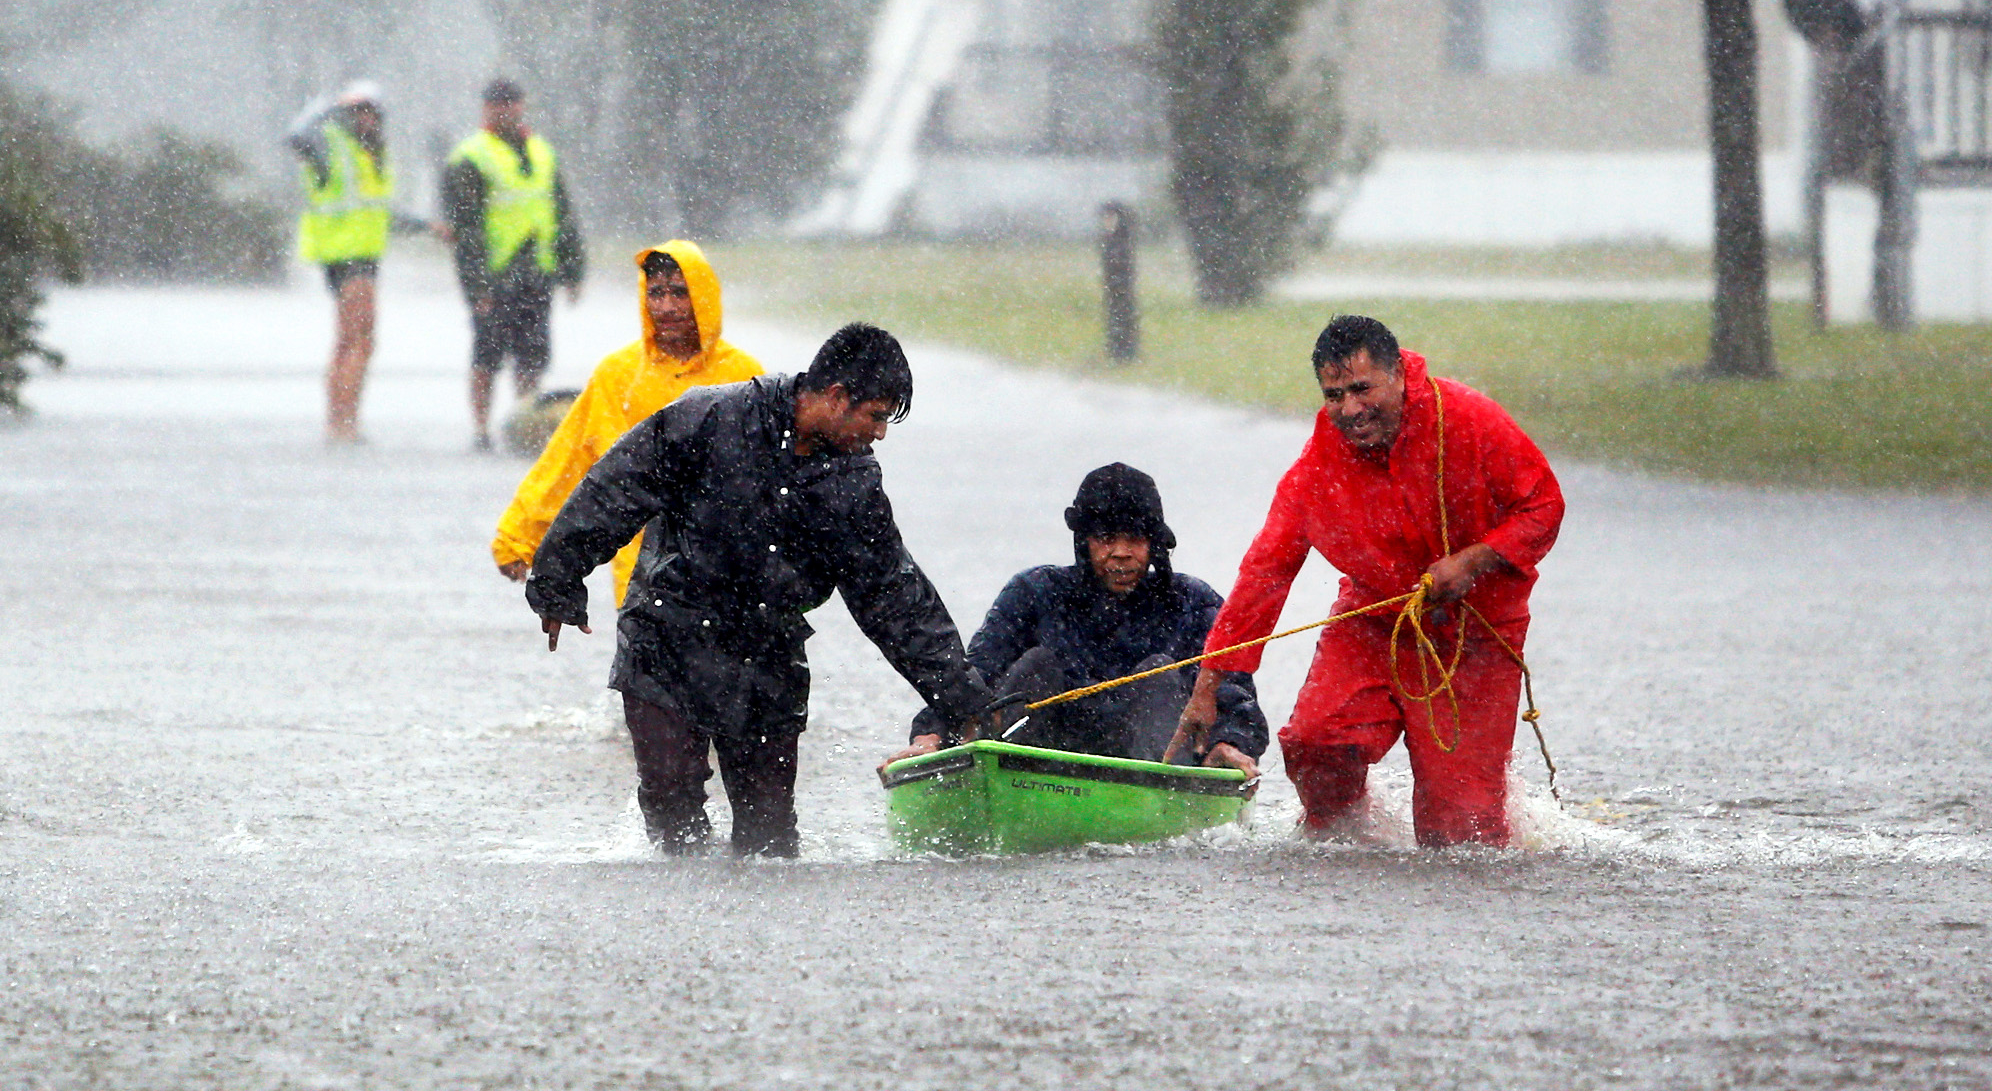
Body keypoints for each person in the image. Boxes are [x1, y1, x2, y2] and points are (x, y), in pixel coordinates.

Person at [523, 323, 990, 858]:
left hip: (768, 656)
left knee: (769, 843)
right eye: (876, 416)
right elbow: (614, 489)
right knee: (672, 807)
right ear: (837, 398)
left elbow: (893, 595)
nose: (881, 433)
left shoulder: (854, 482)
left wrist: (960, 700)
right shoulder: (709, 417)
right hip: (666, 641)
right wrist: (558, 579)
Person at [1171, 315, 1564, 848]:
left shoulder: (1469, 419)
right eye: (1334, 395)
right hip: (1374, 622)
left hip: (1477, 634)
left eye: (1361, 388)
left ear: (1399, 374)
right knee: (1315, 744)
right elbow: (1264, 574)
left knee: (1462, 836)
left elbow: (1543, 506)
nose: (1350, 409)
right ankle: (1355, 846)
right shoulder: (1315, 468)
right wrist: (1208, 686)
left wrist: (1471, 563)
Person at [893, 463, 1266, 772]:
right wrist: (931, 734)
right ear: (1083, 543)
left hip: (1153, 762)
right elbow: (974, 674)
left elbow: (1233, 690)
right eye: (1105, 538)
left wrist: (1230, 743)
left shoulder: (1192, 601)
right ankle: (1003, 772)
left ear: (1154, 545)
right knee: (1037, 664)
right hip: (1045, 755)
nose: (1121, 554)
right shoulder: (1034, 591)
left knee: (1160, 670)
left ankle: (1157, 791)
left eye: (1135, 540)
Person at [493, 240, 763, 607]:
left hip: (723, 572)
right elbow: (569, 459)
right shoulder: (618, 376)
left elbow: (773, 476)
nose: (667, 307)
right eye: (657, 294)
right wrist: (519, 536)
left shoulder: (742, 375)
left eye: (680, 294)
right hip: (640, 576)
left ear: (703, 295)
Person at [287, 81, 441, 444]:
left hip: (365, 255)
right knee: (361, 341)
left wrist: (425, 226)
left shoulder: (371, 156)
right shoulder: (330, 146)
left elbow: (379, 211)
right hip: (345, 255)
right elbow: (296, 136)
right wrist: (328, 106)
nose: (366, 118)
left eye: (371, 111)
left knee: (348, 341)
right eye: (358, 111)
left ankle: (339, 421)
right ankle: (344, 424)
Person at [442, 78, 587, 451]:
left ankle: (525, 421)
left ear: (522, 105)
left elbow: (562, 214)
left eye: (511, 103)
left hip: (537, 270)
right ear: (485, 108)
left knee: (533, 354)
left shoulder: (542, 152)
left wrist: (573, 271)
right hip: (495, 272)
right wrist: (476, 287)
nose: (504, 110)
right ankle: (480, 428)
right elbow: (466, 230)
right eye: (496, 104)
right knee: (487, 355)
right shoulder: (469, 157)